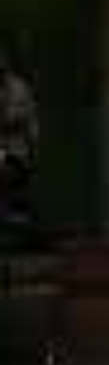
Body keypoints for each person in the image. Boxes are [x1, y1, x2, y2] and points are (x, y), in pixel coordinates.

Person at [0, 46, 37, 236]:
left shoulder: (19, 88)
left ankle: (17, 220)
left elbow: (26, 119)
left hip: (16, 149)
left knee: (13, 181)